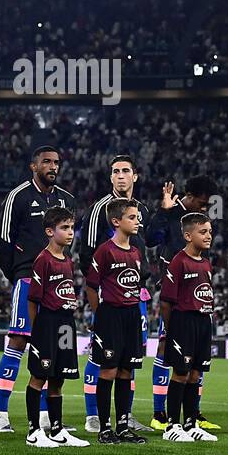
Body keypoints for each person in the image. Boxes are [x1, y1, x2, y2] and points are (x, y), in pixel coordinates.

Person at [0, 145, 77, 433]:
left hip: (57, 284)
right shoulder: (18, 196)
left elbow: (68, 241)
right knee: (18, 341)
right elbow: (3, 241)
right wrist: (18, 274)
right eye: (46, 162)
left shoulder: (66, 199)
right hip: (28, 278)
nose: (53, 166)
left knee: (51, 345)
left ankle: (45, 416)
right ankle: (0, 412)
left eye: (56, 162)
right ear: (33, 166)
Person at [82, 155, 151, 435]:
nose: (121, 176)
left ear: (135, 176)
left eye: (126, 171)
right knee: (102, 361)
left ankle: (124, 420)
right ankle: (94, 417)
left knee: (128, 363)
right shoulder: (99, 209)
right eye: (115, 171)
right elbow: (87, 255)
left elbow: (150, 244)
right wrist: (99, 307)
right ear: (110, 177)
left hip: (134, 300)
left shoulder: (141, 210)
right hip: (108, 298)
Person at [147, 174, 219, 431]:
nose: (204, 208)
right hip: (174, 295)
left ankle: (193, 414)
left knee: (197, 361)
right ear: (188, 196)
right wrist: (163, 212)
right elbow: (150, 239)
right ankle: (160, 413)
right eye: (201, 202)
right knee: (167, 348)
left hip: (196, 297)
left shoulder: (202, 223)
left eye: (207, 204)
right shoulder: (171, 215)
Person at [25, 206, 89, 447]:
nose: (70, 232)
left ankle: (57, 429)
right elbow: (33, 299)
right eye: (64, 228)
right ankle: (33, 431)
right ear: (50, 231)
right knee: (39, 375)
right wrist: (37, 330)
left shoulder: (68, 260)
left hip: (66, 323)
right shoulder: (43, 260)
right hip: (47, 323)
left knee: (59, 377)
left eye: (72, 227)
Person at [160, 211, 219, 442]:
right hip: (183, 322)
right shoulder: (178, 261)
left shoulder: (206, 263)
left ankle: (190, 423)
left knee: (196, 375)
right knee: (181, 374)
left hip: (204, 322)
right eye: (203, 232)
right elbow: (166, 301)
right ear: (187, 235)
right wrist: (171, 329)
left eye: (210, 232)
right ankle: (172, 425)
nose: (208, 236)